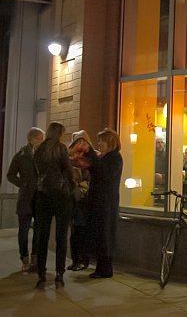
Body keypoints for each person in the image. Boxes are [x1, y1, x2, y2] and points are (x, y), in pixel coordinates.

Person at [33, 121, 75, 289]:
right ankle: (59, 273)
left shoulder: (39, 150)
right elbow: (68, 172)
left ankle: (41, 273)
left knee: (42, 235)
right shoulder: (61, 149)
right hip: (61, 197)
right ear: (60, 134)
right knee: (61, 236)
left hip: (44, 196)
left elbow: (37, 171)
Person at [6, 127, 45, 273]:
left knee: (39, 230)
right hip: (25, 198)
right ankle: (24, 258)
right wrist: (22, 183)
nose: (42, 141)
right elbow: (10, 175)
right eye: (40, 138)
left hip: (40, 198)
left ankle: (35, 258)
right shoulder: (21, 155)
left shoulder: (43, 154)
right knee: (23, 230)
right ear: (33, 139)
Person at [88, 128, 123, 278]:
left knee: (105, 234)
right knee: (100, 234)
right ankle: (100, 267)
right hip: (100, 201)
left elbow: (104, 174)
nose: (99, 143)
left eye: (102, 140)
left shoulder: (115, 158)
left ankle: (105, 269)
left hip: (107, 203)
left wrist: (92, 157)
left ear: (110, 142)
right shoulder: (105, 157)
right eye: (98, 141)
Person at [68, 130, 98, 271]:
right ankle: (75, 260)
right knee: (75, 232)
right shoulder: (70, 157)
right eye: (77, 142)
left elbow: (94, 177)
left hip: (87, 200)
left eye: (82, 141)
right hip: (74, 199)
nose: (80, 145)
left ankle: (83, 260)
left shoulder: (94, 156)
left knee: (83, 231)